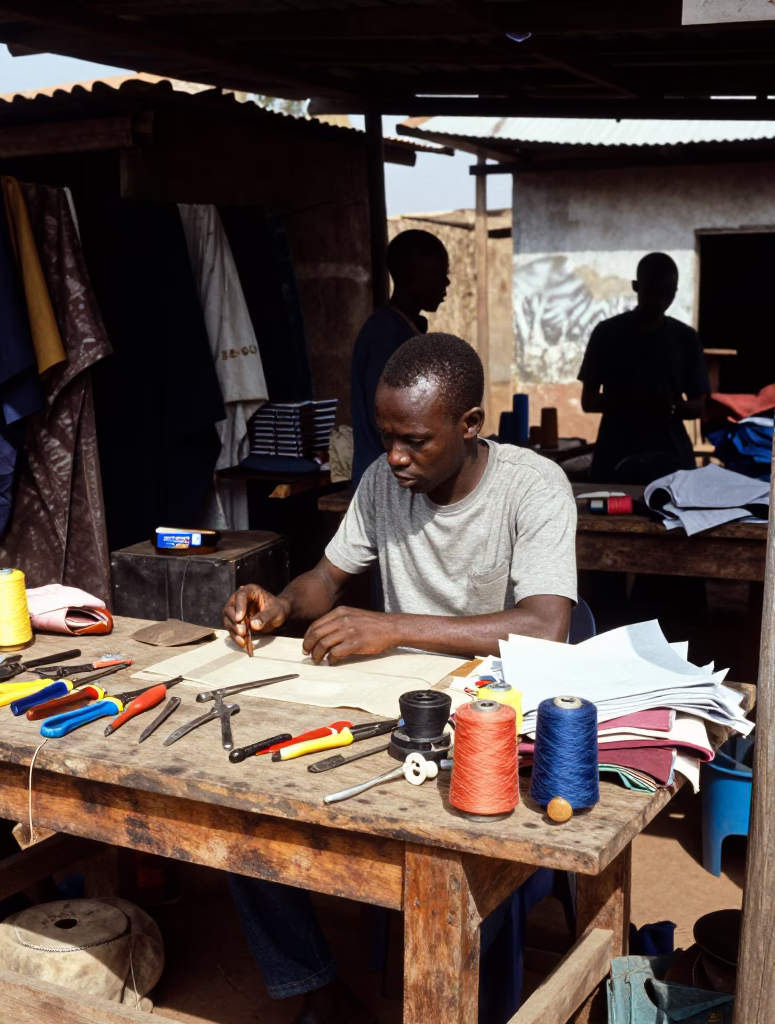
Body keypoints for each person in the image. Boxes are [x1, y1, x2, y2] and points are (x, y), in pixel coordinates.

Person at [222, 333, 577, 1024]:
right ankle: (317, 991)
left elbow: (545, 624)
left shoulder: (533, 488)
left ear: (470, 425)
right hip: (395, 707)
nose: (394, 457)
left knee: (470, 861)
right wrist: (285, 604)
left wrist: (393, 627)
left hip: (491, 718)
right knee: (243, 811)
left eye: (414, 439)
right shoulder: (385, 482)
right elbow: (329, 577)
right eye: (386, 436)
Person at [579, 252, 709, 482]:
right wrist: (632, 401)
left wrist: (669, 407)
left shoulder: (686, 338)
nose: (659, 301)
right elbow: (588, 402)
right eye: (652, 292)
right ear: (636, 286)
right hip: (616, 454)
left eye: (666, 294)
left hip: (671, 455)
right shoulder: (607, 333)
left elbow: (698, 406)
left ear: (675, 293)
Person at [350, 229, 450, 487]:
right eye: (437, 274)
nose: (446, 283)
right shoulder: (387, 337)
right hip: (386, 484)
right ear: (409, 275)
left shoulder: (403, 329)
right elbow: (392, 421)